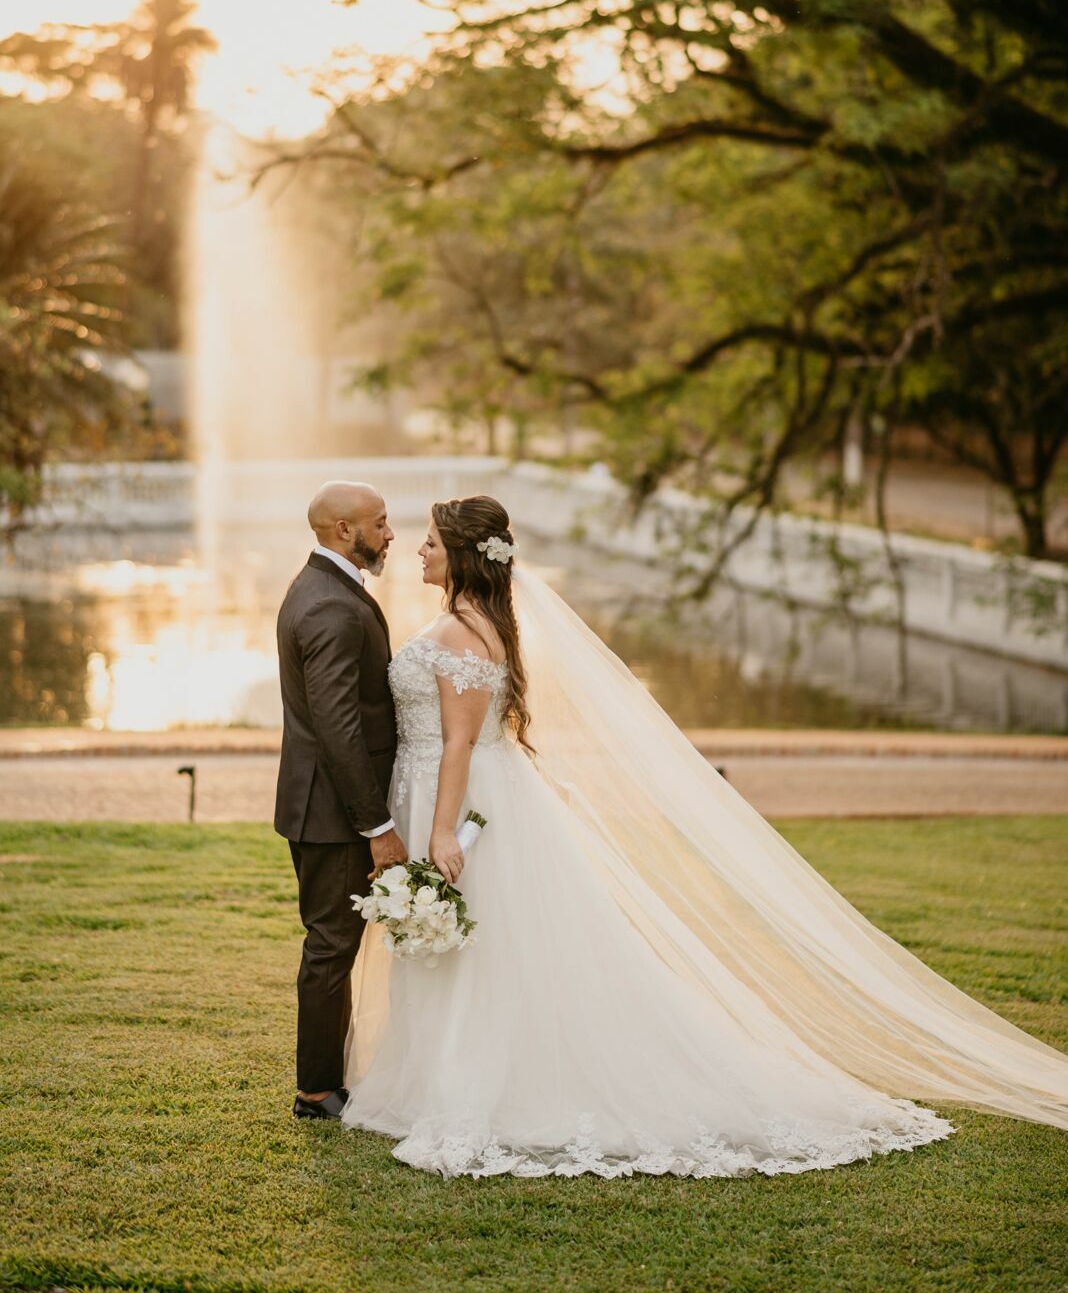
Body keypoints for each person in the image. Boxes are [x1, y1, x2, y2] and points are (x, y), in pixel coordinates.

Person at [339, 494, 1068, 1178]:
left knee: (483, 945)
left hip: (460, 801)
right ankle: (441, 1079)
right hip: (440, 787)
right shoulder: (474, 624)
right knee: (475, 944)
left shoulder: (465, 636)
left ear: (464, 554)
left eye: (431, 542)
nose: (420, 552)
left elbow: (462, 743)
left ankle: (485, 1089)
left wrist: (441, 833)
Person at [275, 481, 408, 1120]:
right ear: (342, 530)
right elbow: (337, 726)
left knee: (332, 944)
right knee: (331, 947)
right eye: (379, 524)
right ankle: (318, 1090)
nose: (390, 535)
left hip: (325, 806)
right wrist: (377, 824)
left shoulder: (327, 589)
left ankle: (325, 1080)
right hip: (331, 813)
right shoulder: (329, 604)